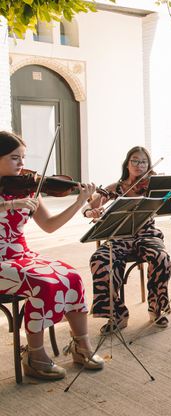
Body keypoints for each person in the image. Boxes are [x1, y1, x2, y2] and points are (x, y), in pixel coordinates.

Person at [0, 131, 104, 380]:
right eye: (15, 158)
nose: (22, 165)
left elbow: (50, 225)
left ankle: (82, 346)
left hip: (20, 254)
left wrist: (79, 202)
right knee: (43, 282)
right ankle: (35, 356)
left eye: (23, 158)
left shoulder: (25, 188)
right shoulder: (14, 197)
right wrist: (8, 205)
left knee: (70, 276)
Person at [84, 146, 171, 333]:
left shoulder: (153, 186)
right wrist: (91, 210)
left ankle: (157, 309)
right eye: (135, 160)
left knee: (161, 258)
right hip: (119, 236)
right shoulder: (116, 188)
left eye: (143, 162)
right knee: (99, 260)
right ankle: (117, 314)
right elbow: (90, 206)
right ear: (127, 163)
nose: (139, 165)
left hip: (147, 235)